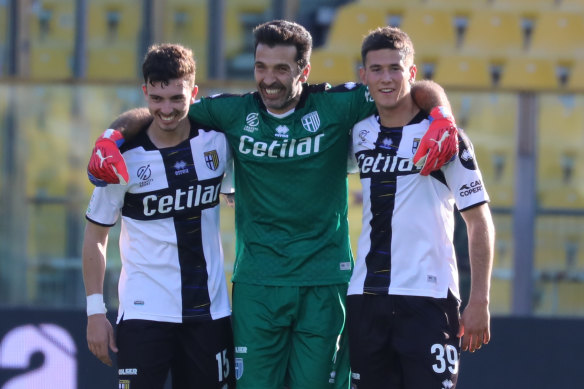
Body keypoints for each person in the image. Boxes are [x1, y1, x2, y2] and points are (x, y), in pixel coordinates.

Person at [86, 20, 459, 389]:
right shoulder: (229, 114)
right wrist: (112, 136)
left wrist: (442, 114)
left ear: (304, 69)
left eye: (281, 68)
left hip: (324, 280)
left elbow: (407, 87)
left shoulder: (338, 105)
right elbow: (166, 110)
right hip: (257, 285)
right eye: (261, 67)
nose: (269, 79)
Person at [346, 26, 495, 389]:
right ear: (363, 75)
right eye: (376, 69)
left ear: (411, 74)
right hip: (366, 298)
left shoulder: (446, 138)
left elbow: (479, 222)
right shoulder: (357, 132)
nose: (386, 78)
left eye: (395, 68)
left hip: (428, 298)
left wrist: (480, 299)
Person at [82, 43, 236, 388]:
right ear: (145, 93)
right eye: (157, 99)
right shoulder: (121, 160)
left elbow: (234, 192)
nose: (166, 109)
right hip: (143, 313)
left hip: (209, 312)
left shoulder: (218, 144)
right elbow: (95, 237)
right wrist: (95, 310)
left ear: (193, 93)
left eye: (177, 99)